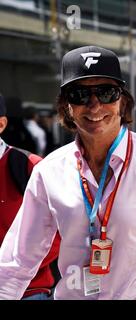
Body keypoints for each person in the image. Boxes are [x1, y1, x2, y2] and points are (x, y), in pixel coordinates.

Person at [0, 46, 136, 300]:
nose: (94, 106)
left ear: (123, 100)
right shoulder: (48, 172)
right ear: (66, 106)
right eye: (79, 94)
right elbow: (17, 261)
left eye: (106, 93)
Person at [0, 94, 60, 300]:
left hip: (28, 291)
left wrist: (17, 270)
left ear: (1, 124)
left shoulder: (31, 166)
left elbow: (61, 231)